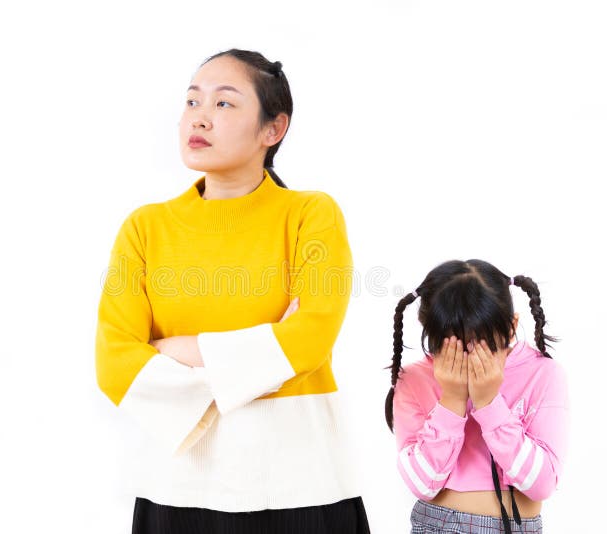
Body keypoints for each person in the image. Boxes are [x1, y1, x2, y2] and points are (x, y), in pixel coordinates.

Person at [95, 48, 370, 533]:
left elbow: (309, 340)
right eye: (191, 101)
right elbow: (115, 365)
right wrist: (265, 350)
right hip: (177, 488)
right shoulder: (145, 228)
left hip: (298, 486)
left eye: (224, 104)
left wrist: (177, 351)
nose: (199, 117)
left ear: (273, 129)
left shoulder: (310, 214)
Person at [384, 260, 568, 533]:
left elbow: (542, 484)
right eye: (451, 345)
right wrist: (452, 399)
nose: (468, 356)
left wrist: (489, 403)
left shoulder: (543, 374)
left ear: (511, 327)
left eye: (480, 343)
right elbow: (422, 484)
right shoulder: (414, 379)